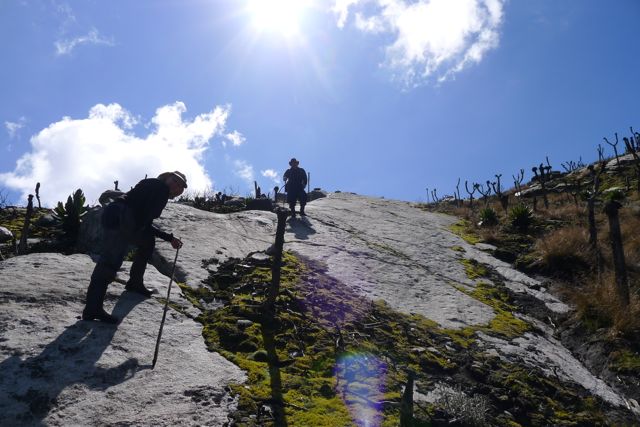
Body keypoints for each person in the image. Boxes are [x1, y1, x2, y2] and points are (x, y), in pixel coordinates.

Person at [82, 171, 187, 324]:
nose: (176, 185)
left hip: (118, 215)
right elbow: (145, 220)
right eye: (175, 180)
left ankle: (135, 283)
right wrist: (168, 237)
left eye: (180, 185)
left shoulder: (151, 185)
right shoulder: (160, 189)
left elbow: (143, 220)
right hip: (122, 218)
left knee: (146, 241)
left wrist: (168, 238)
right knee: (109, 262)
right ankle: (93, 308)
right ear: (167, 177)